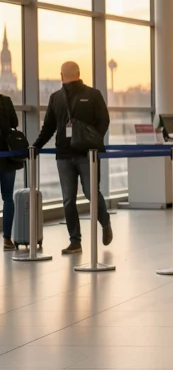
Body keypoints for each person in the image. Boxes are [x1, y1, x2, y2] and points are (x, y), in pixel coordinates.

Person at [33, 61, 112, 254]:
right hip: (65, 155)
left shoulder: (91, 94)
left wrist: (92, 141)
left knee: (88, 193)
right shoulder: (57, 98)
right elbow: (104, 121)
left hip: (86, 154)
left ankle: (104, 222)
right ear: (78, 72)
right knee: (71, 198)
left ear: (62, 75)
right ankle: (75, 241)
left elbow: (48, 128)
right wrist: (35, 147)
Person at [0, 92, 23, 251]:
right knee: (8, 197)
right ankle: (7, 239)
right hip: (7, 156)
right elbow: (15, 122)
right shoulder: (6, 101)